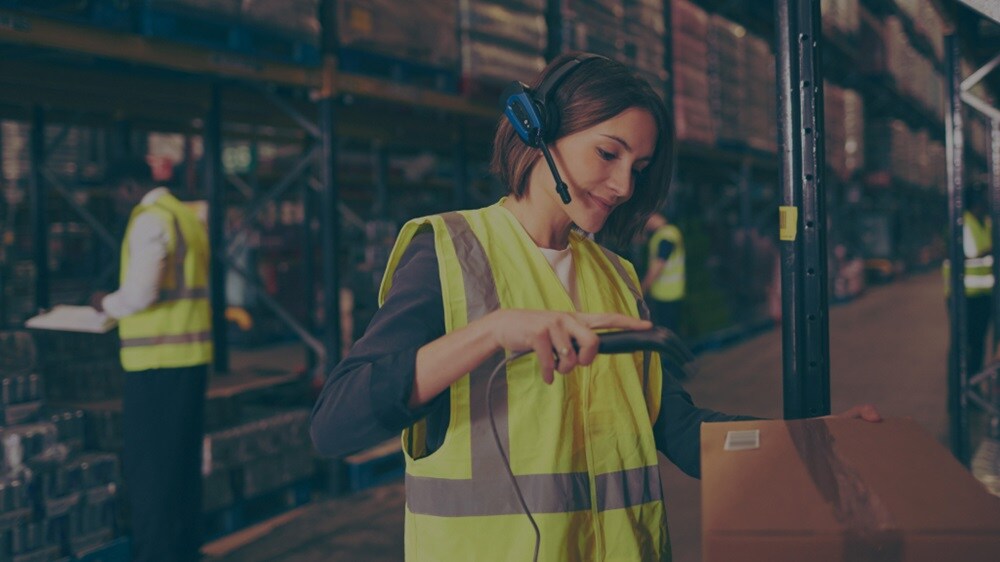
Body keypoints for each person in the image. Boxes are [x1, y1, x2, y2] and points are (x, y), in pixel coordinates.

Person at [310, 53, 880, 561]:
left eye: (639, 167)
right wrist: (491, 331)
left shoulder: (617, 277)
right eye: (608, 153)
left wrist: (810, 442)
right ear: (537, 131)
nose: (624, 185)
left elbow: (676, 428)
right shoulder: (450, 254)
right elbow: (335, 426)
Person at [90, 157, 211, 562]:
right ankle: (182, 551)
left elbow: (143, 293)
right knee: (179, 466)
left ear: (128, 186)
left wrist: (104, 303)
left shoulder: (150, 219)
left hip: (157, 365)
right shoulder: (185, 215)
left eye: (115, 196)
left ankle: (158, 555)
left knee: (151, 474)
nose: (116, 205)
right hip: (188, 360)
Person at [944, 182, 994, 378]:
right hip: (963, 295)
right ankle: (958, 397)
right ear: (975, 203)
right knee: (962, 345)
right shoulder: (962, 223)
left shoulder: (987, 222)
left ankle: (974, 390)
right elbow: (970, 253)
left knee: (978, 344)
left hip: (984, 294)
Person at [641, 212, 685, 334]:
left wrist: (643, 288)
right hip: (668, 292)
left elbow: (658, 264)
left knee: (667, 332)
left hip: (667, 294)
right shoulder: (667, 232)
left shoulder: (666, 235)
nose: (646, 224)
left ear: (654, 215)